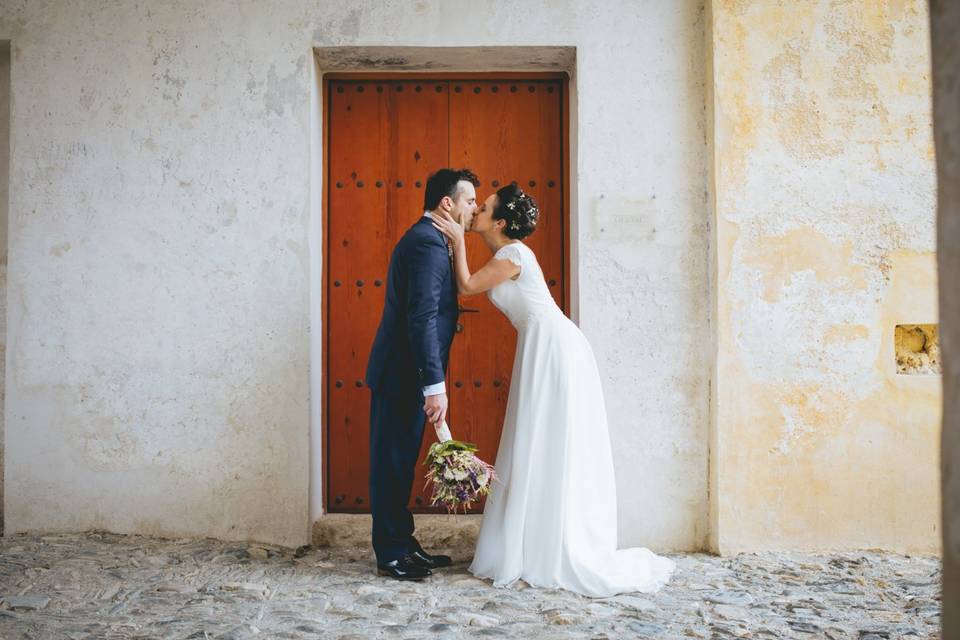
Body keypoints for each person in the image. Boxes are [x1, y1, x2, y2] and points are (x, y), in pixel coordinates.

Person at [430, 182, 677, 597]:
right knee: (538, 439)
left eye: (484, 208)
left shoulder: (512, 255)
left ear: (501, 222)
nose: (477, 212)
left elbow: (468, 286)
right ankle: (532, 543)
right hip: (541, 346)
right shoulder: (506, 255)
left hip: (555, 348)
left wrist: (456, 240)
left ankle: (553, 547)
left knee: (546, 438)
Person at [364, 168, 479, 581]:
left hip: (405, 373)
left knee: (401, 462)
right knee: (392, 463)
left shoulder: (433, 239)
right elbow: (422, 319)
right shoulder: (427, 244)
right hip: (402, 375)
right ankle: (390, 554)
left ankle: (404, 543)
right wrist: (435, 387)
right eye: (469, 201)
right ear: (446, 203)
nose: (475, 207)